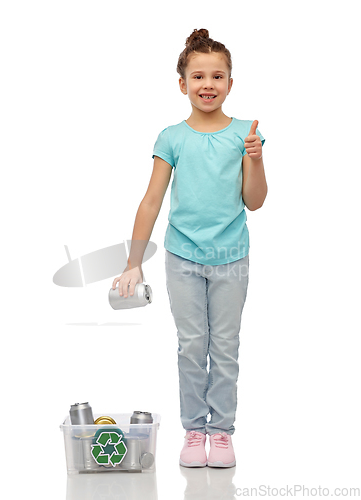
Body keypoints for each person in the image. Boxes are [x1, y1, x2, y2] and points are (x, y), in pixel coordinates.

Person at [112, 28, 267, 468]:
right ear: (183, 83)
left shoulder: (246, 133)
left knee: (225, 346)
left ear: (230, 84)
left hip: (231, 258)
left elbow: (254, 201)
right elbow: (151, 200)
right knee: (191, 344)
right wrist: (132, 263)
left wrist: (255, 158)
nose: (208, 85)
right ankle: (194, 429)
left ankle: (221, 432)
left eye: (218, 76)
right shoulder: (172, 137)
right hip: (183, 257)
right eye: (198, 76)